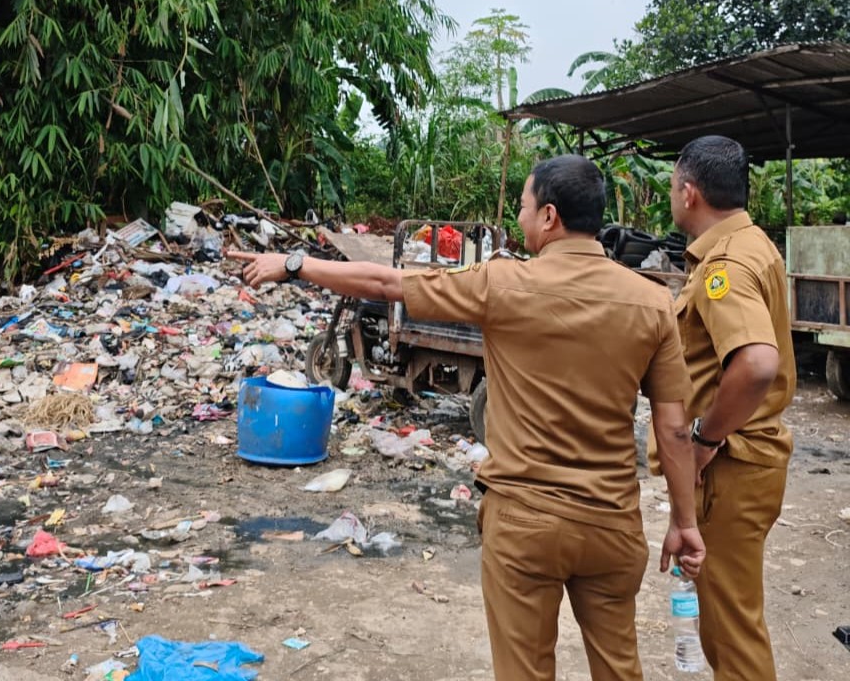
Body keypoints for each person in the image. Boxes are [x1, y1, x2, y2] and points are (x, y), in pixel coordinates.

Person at [228, 154, 705, 681]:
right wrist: (685, 523)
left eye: (523, 207)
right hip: (611, 524)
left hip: (524, 522)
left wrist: (295, 264)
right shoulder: (652, 301)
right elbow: (674, 428)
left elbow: (387, 284)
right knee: (619, 670)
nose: (519, 218)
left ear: (549, 216)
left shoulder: (502, 282)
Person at [655, 135, 797, 680]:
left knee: (732, 635)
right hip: (746, 463)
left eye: (673, 187)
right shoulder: (753, 244)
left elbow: (756, 363)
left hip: (731, 467)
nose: (673, 197)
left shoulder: (726, 265)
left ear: (690, 193)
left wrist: (704, 439)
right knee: (725, 626)